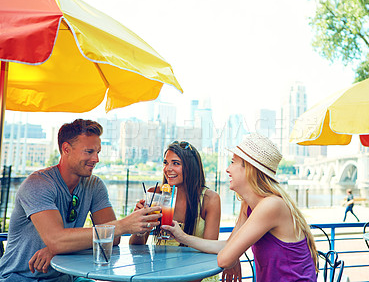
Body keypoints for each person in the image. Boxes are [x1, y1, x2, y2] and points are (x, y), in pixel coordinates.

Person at [0, 119, 161, 282]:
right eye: (89, 151)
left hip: (66, 277)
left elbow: (113, 239)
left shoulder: (94, 185)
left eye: (98, 152)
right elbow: (57, 240)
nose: (96, 159)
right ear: (66, 149)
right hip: (21, 276)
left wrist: (58, 249)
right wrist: (123, 225)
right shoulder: (38, 184)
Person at [163, 133, 318, 282]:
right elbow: (227, 246)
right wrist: (181, 236)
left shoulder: (272, 205)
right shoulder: (249, 205)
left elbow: (225, 258)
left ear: (248, 168)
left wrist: (232, 256)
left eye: (232, 162)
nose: (227, 169)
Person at [129, 141, 221, 282]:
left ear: (191, 168)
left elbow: (209, 253)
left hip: (199, 275)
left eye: (176, 163)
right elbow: (135, 245)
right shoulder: (155, 194)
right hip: (163, 274)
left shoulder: (210, 199)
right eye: (166, 163)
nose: (168, 168)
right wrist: (140, 225)